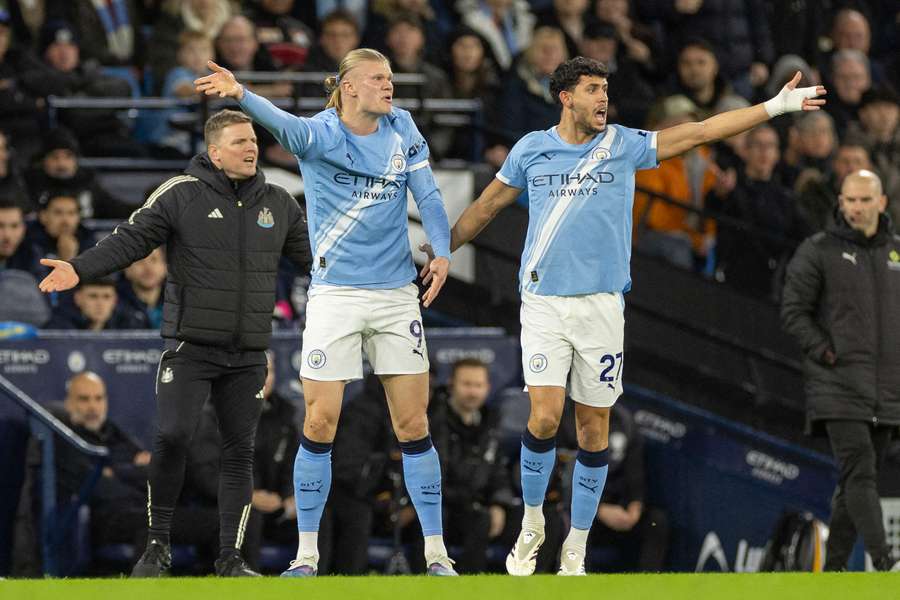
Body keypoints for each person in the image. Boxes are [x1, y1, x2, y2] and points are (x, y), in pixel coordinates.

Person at [439, 56, 825, 575]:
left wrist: (775, 106)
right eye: (593, 89)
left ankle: (575, 543)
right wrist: (441, 252)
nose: (604, 98)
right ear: (566, 97)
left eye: (607, 89)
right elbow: (486, 207)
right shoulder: (532, 148)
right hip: (544, 303)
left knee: (594, 430)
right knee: (545, 418)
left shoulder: (622, 144)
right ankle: (533, 522)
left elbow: (702, 130)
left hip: (602, 307)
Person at [194, 47, 455, 576]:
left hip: (395, 294)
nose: (390, 85)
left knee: (412, 423)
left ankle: (436, 554)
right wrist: (240, 92)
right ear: (350, 86)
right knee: (319, 419)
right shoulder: (320, 134)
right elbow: (280, 122)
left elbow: (427, 196)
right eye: (378, 77)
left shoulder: (403, 127)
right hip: (335, 295)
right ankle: (306, 555)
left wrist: (444, 250)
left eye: (391, 76)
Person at [37, 109, 313, 577]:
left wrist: (389, 279)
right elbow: (130, 240)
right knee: (171, 437)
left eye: (253, 140)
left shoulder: (280, 203)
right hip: (190, 347)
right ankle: (157, 547)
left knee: (239, 452)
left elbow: (318, 264)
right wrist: (78, 269)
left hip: (248, 353)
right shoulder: (181, 193)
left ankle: (230, 557)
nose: (251, 148)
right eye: (240, 141)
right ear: (215, 151)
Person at [781, 169, 900, 572]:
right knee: (861, 472)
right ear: (840, 202)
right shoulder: (818, 250)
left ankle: (831, 574)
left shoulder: (896, 253)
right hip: (837, 383)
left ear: (881, 203)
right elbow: (793, 310)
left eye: (865, 200)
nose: (856, 208)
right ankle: (884, 561)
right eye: (849, 200)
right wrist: (825, 352)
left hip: (886, 389)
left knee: (853, 483)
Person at [56, 372, 219, 574]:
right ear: (69, 402)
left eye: (98, 398)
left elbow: (151, 469)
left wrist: (117, 471)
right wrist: (132, 469)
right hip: (108, 518)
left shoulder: (111, 431)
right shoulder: (67, 438)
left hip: (143, 509)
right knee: (151, 526)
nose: (92, 406)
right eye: (84, 399)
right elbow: (98, 487)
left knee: (220, 522)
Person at [429, 358, 515, 573]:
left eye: (478, 385)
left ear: (488, 388)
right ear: (451, 385)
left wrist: (499, 503)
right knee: (477, 519)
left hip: (478, 505)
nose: (473, 392)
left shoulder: (490, 421)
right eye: (466, 384)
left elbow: (498, 470)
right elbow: (437, 473)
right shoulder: (434, 419)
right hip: (445, 506)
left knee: (536, 520)